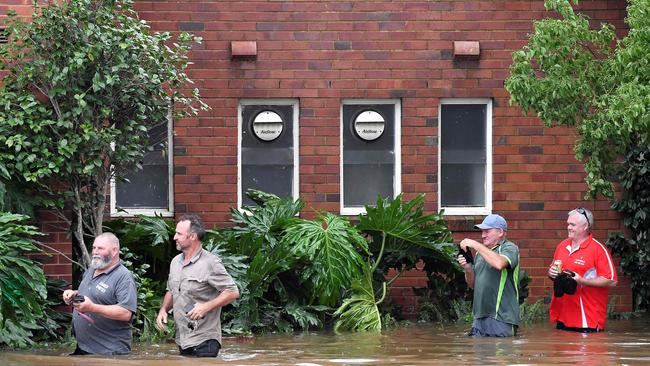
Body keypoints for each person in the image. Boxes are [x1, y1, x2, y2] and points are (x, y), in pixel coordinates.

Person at [156, 214, 239, 357]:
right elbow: (172, 290)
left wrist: (206, 307)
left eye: (179, 233)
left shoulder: (210, 263)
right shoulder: (175, 262)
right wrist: (163, 309)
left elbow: (232, 292)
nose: (174, 237)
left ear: (192, 236)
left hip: (205, 340)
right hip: (183, 339)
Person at [62, 232, 137, 355]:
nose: (95, 252)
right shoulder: (91, 270)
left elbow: (126, 313)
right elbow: (93, 293)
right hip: (84, 348)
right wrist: (73, 295)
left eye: (100, 248)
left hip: (109, 353)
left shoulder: (123, 277)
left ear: (114, 251)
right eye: (94, 248)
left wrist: (92, 308)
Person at [548, 207, 617, 332]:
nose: (568, 227)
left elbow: (611, 281)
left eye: (573, 225)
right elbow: (554, 270)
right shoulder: (562, 246)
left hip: (587, 319)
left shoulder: (598, 249)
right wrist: (551, 273)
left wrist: (583, 281)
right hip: (563, 316)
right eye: (568, 224)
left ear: (585, 226)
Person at [457, 214, 520, 337]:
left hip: (501, 317)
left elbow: (499, 263)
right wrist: (468, 268)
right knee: (479, 355)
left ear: (500, 232)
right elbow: (472, 284)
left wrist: (475, 245)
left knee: (499, 355)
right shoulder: (480, 254)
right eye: (482, 232)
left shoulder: (510, 248)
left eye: (487, 231)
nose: (483, 235)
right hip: (479, 317)